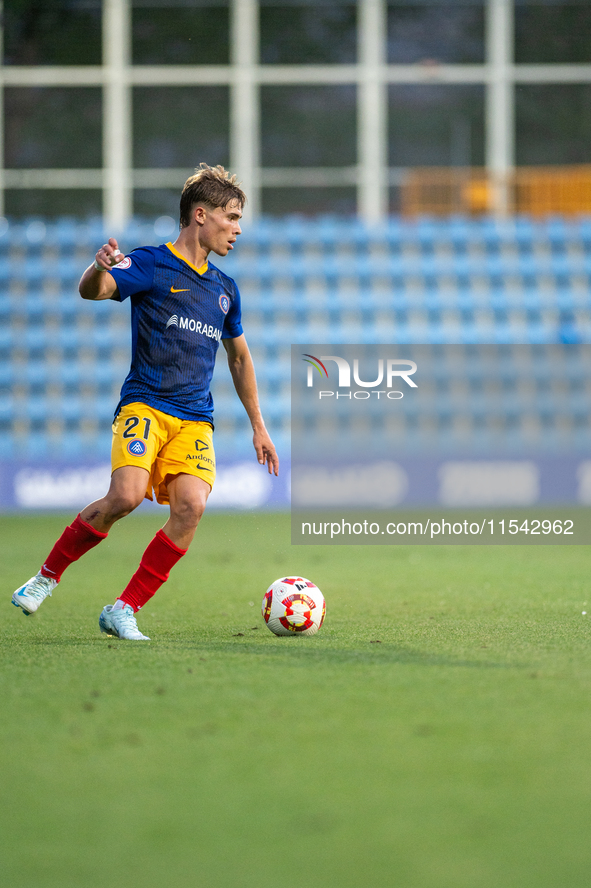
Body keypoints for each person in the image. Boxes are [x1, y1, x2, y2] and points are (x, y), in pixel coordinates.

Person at [11, 163, 279, 640]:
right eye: (232, 217)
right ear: (201, 214)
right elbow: (95, 290)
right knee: (126, 496)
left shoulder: (225, 290)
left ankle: (124, 608)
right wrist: (99, 267)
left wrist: (259, 425)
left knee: (191, 507)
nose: (238, 229)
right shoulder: (153, 263)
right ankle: (45, 577)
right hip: (146, 405)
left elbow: (239, 359)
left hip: (195, 418)